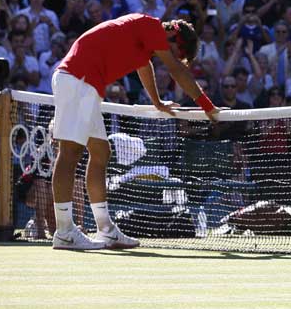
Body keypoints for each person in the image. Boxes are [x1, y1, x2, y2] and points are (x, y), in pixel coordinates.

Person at [49, 14, 220, 250]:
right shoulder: (152, 26)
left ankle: (106, 230)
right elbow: (176, 70)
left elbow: (145, 67)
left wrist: (158, 102)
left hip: (86, 85)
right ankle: (65, 231)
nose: (169, 57)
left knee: (100, 152)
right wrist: (207, 106)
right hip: (79, 80)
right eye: (174, 52)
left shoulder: (144, 39)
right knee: (69, 153)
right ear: (172, 34)